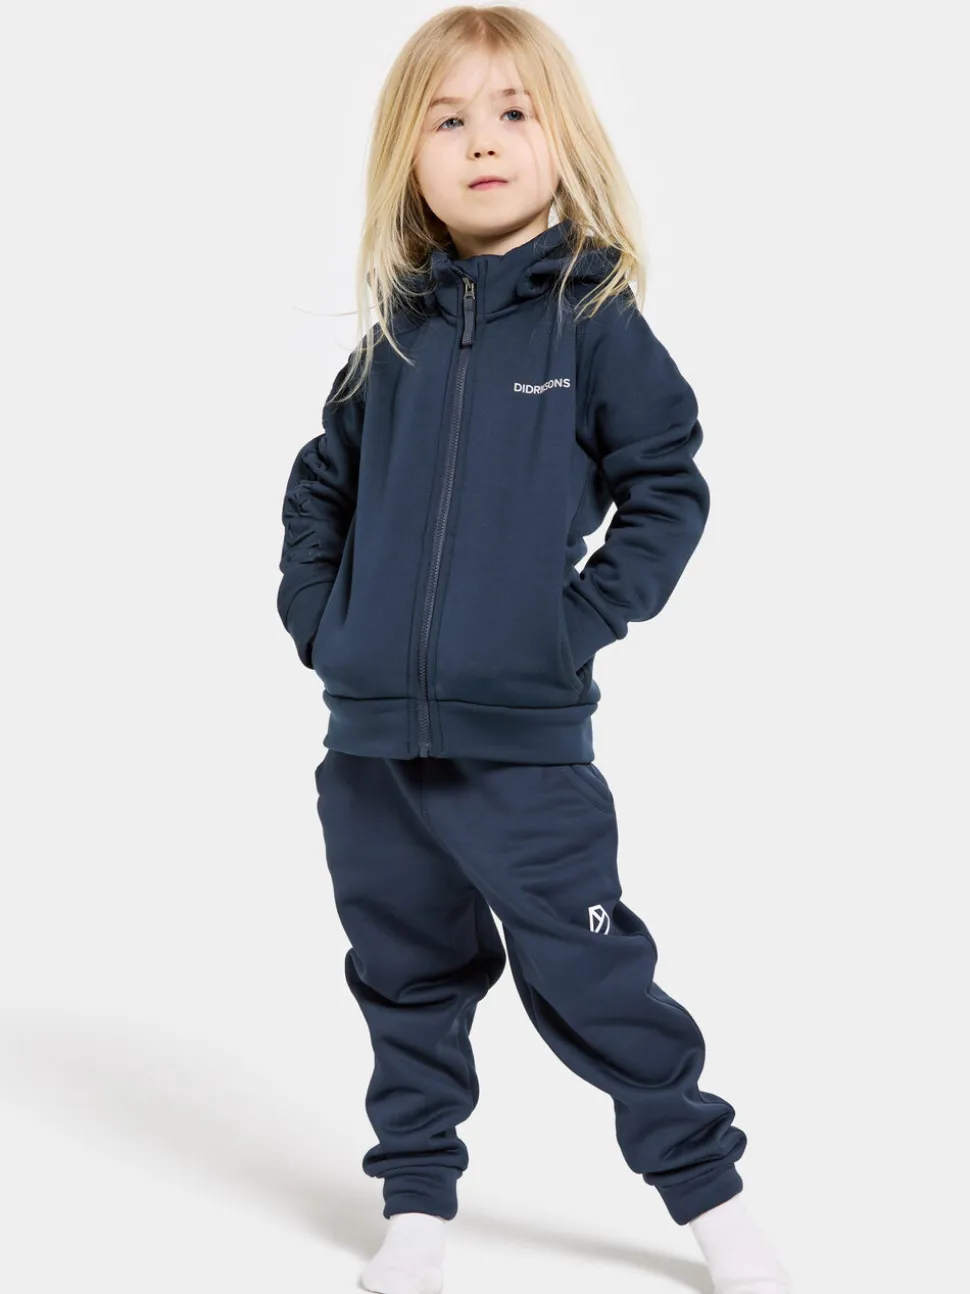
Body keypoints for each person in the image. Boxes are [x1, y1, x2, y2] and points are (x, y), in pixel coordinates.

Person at [276, 7, 793, 1293]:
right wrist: (323, 624)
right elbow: (320, 488)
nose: (482, 140)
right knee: (403, 979)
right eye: (447, 119)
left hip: (521, 750)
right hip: (371, 749)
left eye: (512, 112)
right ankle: (415, 1212)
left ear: (562, 138)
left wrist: (570, 624)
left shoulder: (592, 318)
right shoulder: (391, 339)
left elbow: (666, 485)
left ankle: (715, 1207)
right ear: (407, 157)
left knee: (596, 971)